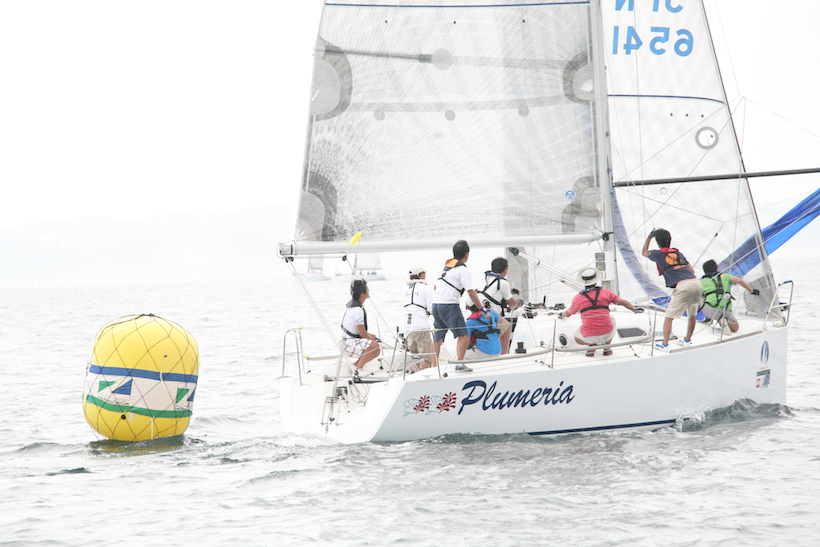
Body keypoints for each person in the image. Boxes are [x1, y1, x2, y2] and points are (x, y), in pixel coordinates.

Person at [642, 228, 701, 351]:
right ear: (670, 241)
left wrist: (649, 237)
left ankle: (664, 344)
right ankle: (687, 340)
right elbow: (692, 270)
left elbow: (644, 252)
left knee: (669, 317)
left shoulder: (657, 254)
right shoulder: (678, 253)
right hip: (696, 283)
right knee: (692, 315)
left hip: (684, 286)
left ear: (658, 243)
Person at [560, 268, 638, 357]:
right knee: (611, 318)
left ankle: (592, 345)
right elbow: (625, 303)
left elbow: (568, 314)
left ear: (583, 283)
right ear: (596, 282)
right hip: (607, 334)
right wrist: (634, 310)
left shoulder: (578, 298)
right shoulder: (606, 293)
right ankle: (607, 347)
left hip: (588, 336)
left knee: (576, 337)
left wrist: (562, 315)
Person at [432, 240, 485, 368]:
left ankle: (434, 367)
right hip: (449, 305)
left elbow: (435, 287)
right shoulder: (462, 270)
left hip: (436, 305)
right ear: (466, 254)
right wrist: (482, 309)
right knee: (463, 334)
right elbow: (471, 292)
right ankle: (460, 364)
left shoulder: (443, 268)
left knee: (438, 337)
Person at [700, 259, 760, 333]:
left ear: (704, 271)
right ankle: (728, 323)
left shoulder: (702, 282)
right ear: (716, 269)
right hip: (726, 309)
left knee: (700, 295)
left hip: (710, 311)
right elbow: (740, 281)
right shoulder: (726, 276)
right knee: (736, 327)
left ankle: (708, 319)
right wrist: (752, 291)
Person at [477, 257, 519, 354]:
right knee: (506, 327)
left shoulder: (487, 278)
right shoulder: (503, 282)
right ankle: (503, 355)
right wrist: (518, 303)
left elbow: (492, 291)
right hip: (490, 312)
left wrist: (511, 291)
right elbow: (511, 302)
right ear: (505, 270)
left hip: (479, 309)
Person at [340, 279, 380, 370]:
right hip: (348, 343)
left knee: (376, 350)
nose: (369, 290)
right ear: (362, 294)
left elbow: (359, 331)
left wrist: (370, 335)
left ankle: (355, 366)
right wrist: (370, 338)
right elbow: (362, 334)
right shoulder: (358, 310)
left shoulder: (352, 308)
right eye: (367, 289)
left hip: (345, 341)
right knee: (375, 346)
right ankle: (358, 370)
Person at [402, 265, 435, 372]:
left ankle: (414, 374)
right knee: (426, 357)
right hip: (421, 326)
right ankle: (426, 376)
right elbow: (431, 309)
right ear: (420, 275)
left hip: (408, 327)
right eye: (424, 273)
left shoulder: (405, 289)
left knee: (414, 356)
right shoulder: (425, 288)